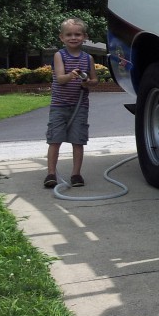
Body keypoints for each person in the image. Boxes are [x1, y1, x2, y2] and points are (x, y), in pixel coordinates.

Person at [44, 17, 98, 188]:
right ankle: (51, 174)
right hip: (59, 106)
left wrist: (87, 82)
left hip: (79, 106)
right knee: (55, 140)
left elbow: (94, 80)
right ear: (62, 37)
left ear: (84, 37)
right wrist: (71, 75)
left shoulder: (88, 58)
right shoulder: (59, 55)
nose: (73, 38)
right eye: (69, 35)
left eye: (77, 34)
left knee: (78, 140)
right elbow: (60, 79)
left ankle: (76, 174)